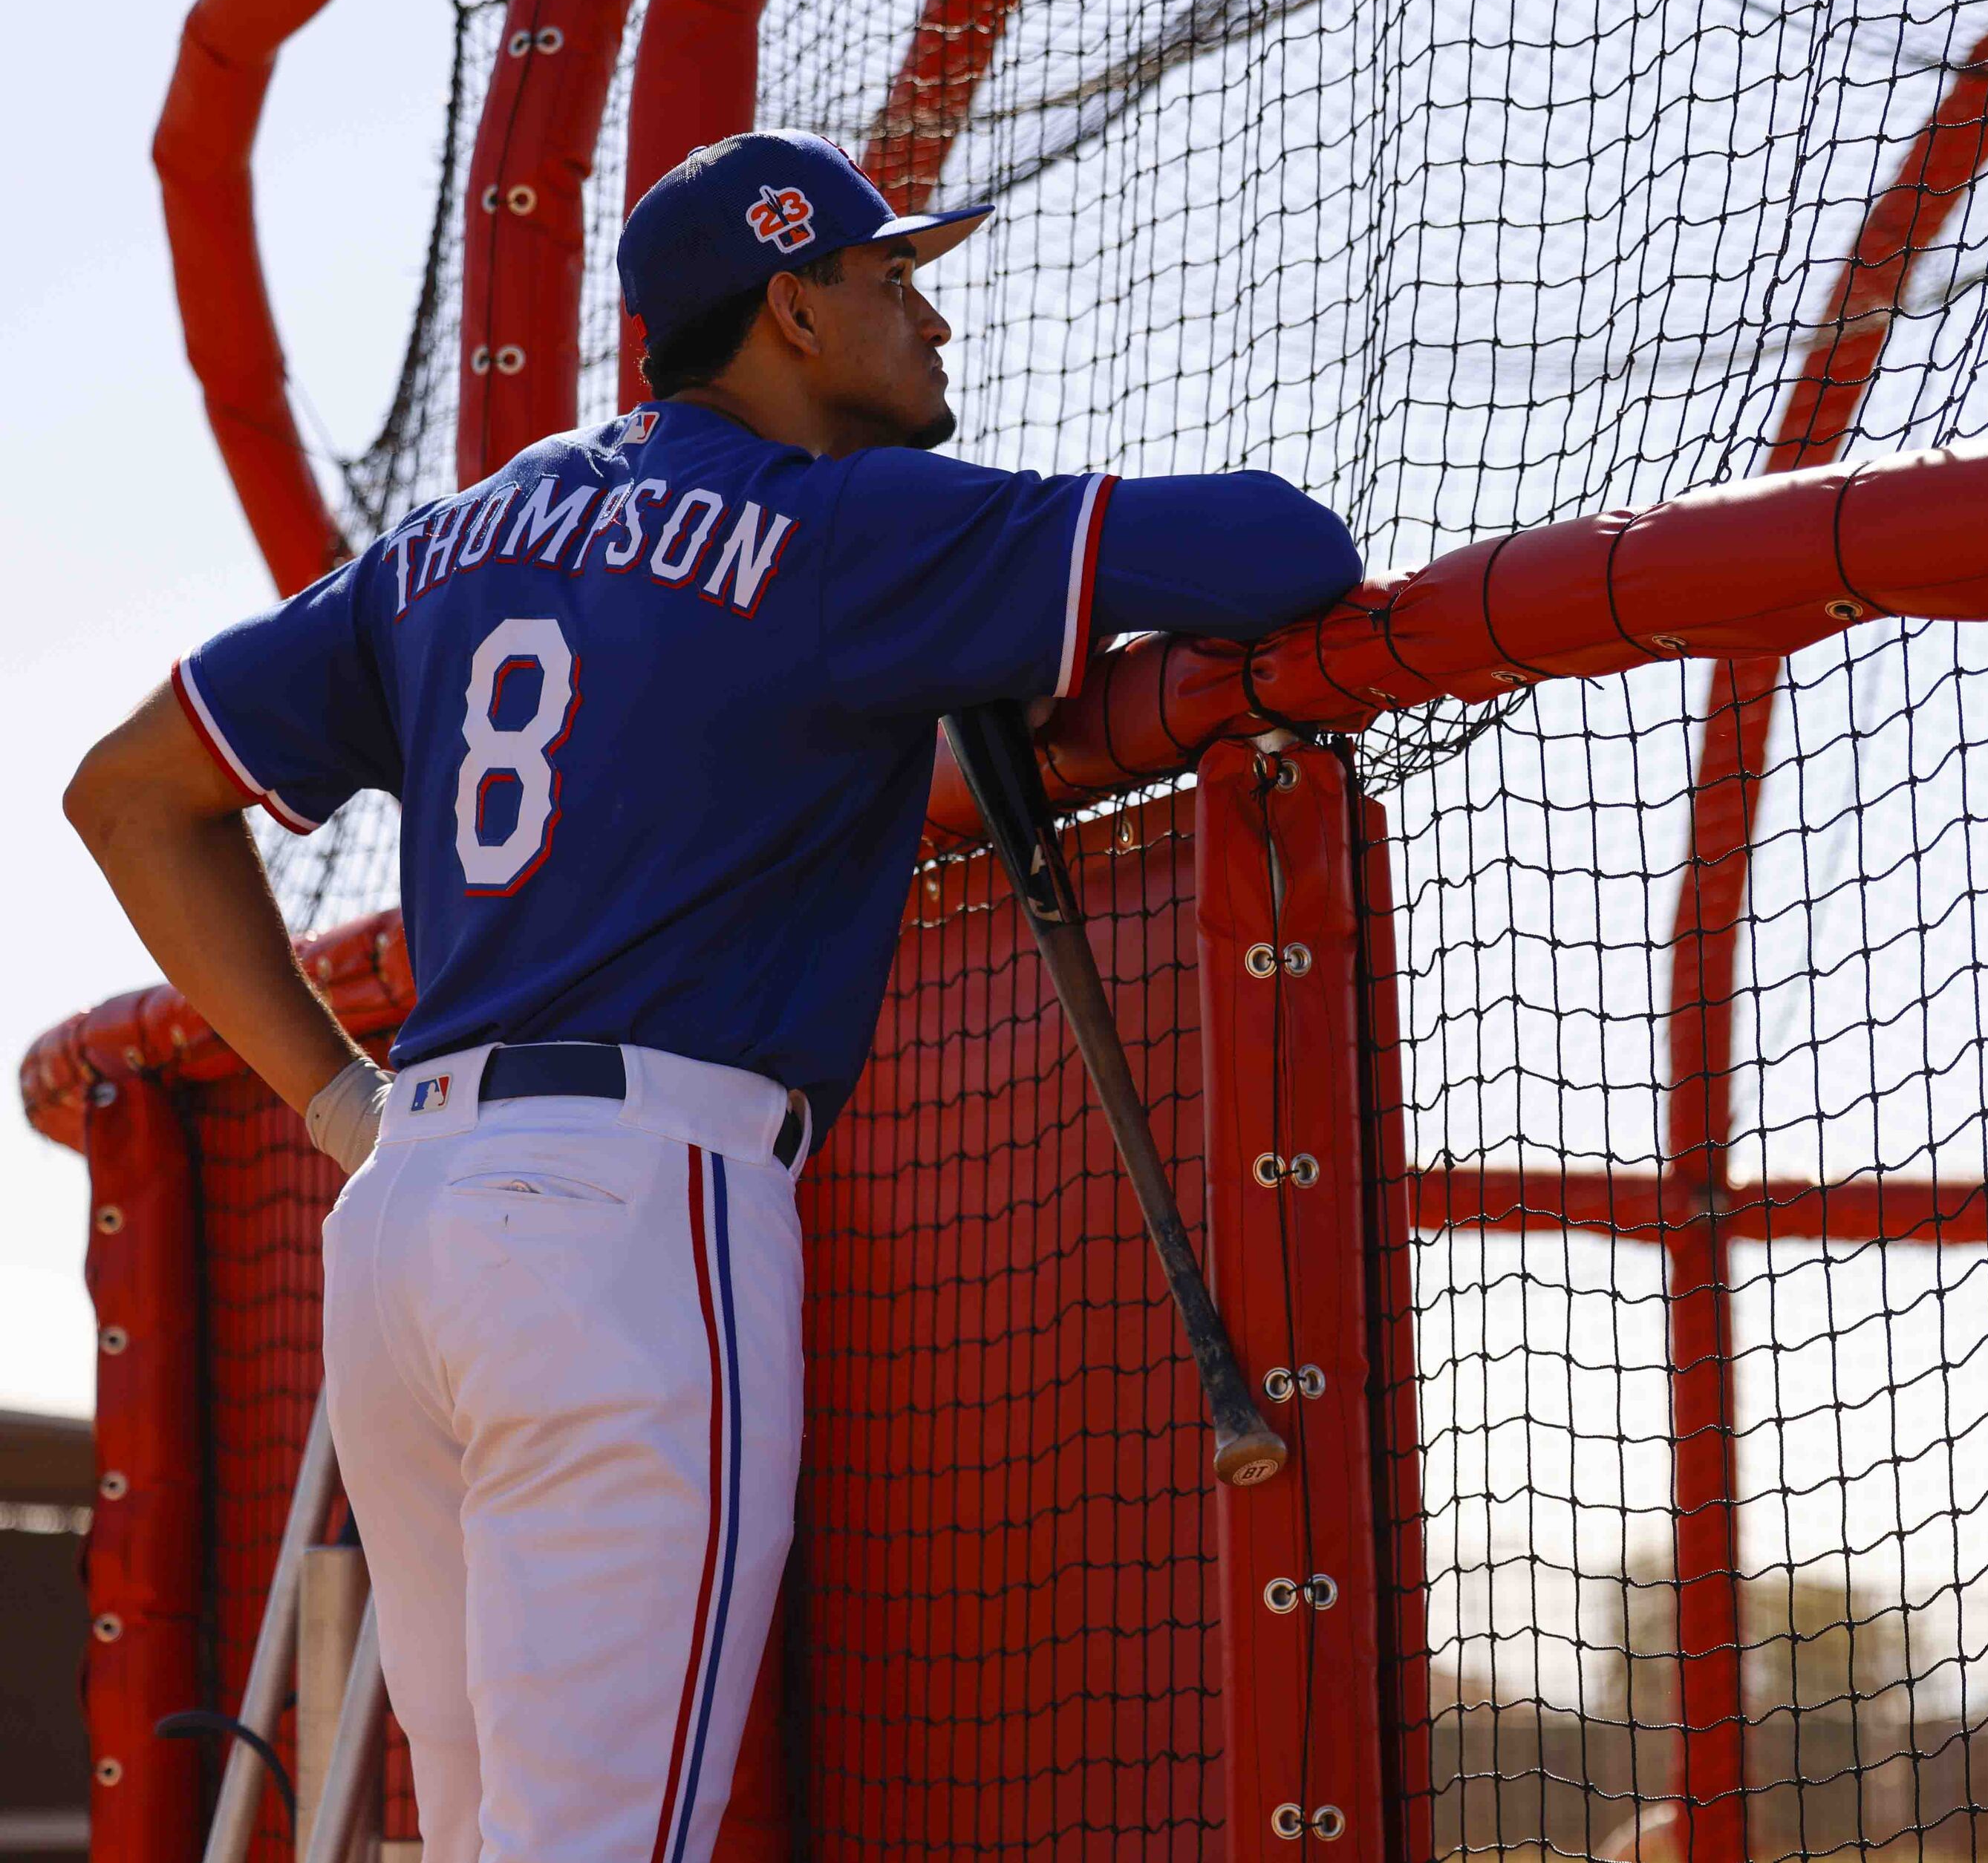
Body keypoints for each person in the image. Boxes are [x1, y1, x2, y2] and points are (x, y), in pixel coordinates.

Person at [62, 131, 1364, 1863]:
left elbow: (127, 787)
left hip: (401, 1224)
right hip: (629, 1209)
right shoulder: (835, 524)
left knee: (490, 1843)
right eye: (887, 277)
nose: (932, 316)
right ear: (790, 311)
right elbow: (1287, 549)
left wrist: (327, 1098)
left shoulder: (460, 538)